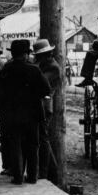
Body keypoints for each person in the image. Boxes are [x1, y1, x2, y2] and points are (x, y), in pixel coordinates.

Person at [0, 39, 51, 185]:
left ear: (13, 54)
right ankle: (32, 177)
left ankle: (18, 176)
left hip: (12, 115)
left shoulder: (6, 70)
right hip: (32, 115)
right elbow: (46, 90)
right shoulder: (34, 70)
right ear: (26, 54)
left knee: (16, 145)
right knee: (33, 145)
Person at [32, 38, 59, 182]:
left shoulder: (53, 67)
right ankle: (49, 172)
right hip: (39, 106)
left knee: (43, 139)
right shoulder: (42, 65)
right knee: (41, 139)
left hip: (44, 106)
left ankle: (46, 173)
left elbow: (40, 83)